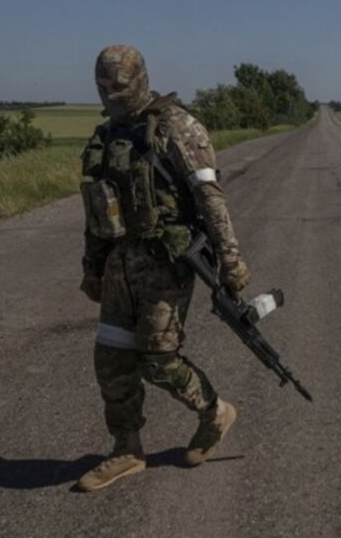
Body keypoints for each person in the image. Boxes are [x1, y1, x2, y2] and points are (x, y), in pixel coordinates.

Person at [76, 44, 251, 491]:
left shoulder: (176, 126)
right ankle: (126, 450)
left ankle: (214, 412)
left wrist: (230, 260)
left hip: (165, 263)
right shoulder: (107, 135)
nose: (110, 94)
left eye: (118, 85)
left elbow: (210, 197)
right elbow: (96, 208)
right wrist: (93, 267)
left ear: (140, 80)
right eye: (101, 86)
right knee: (111, 360)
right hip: (118, 265)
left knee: (157, 360)